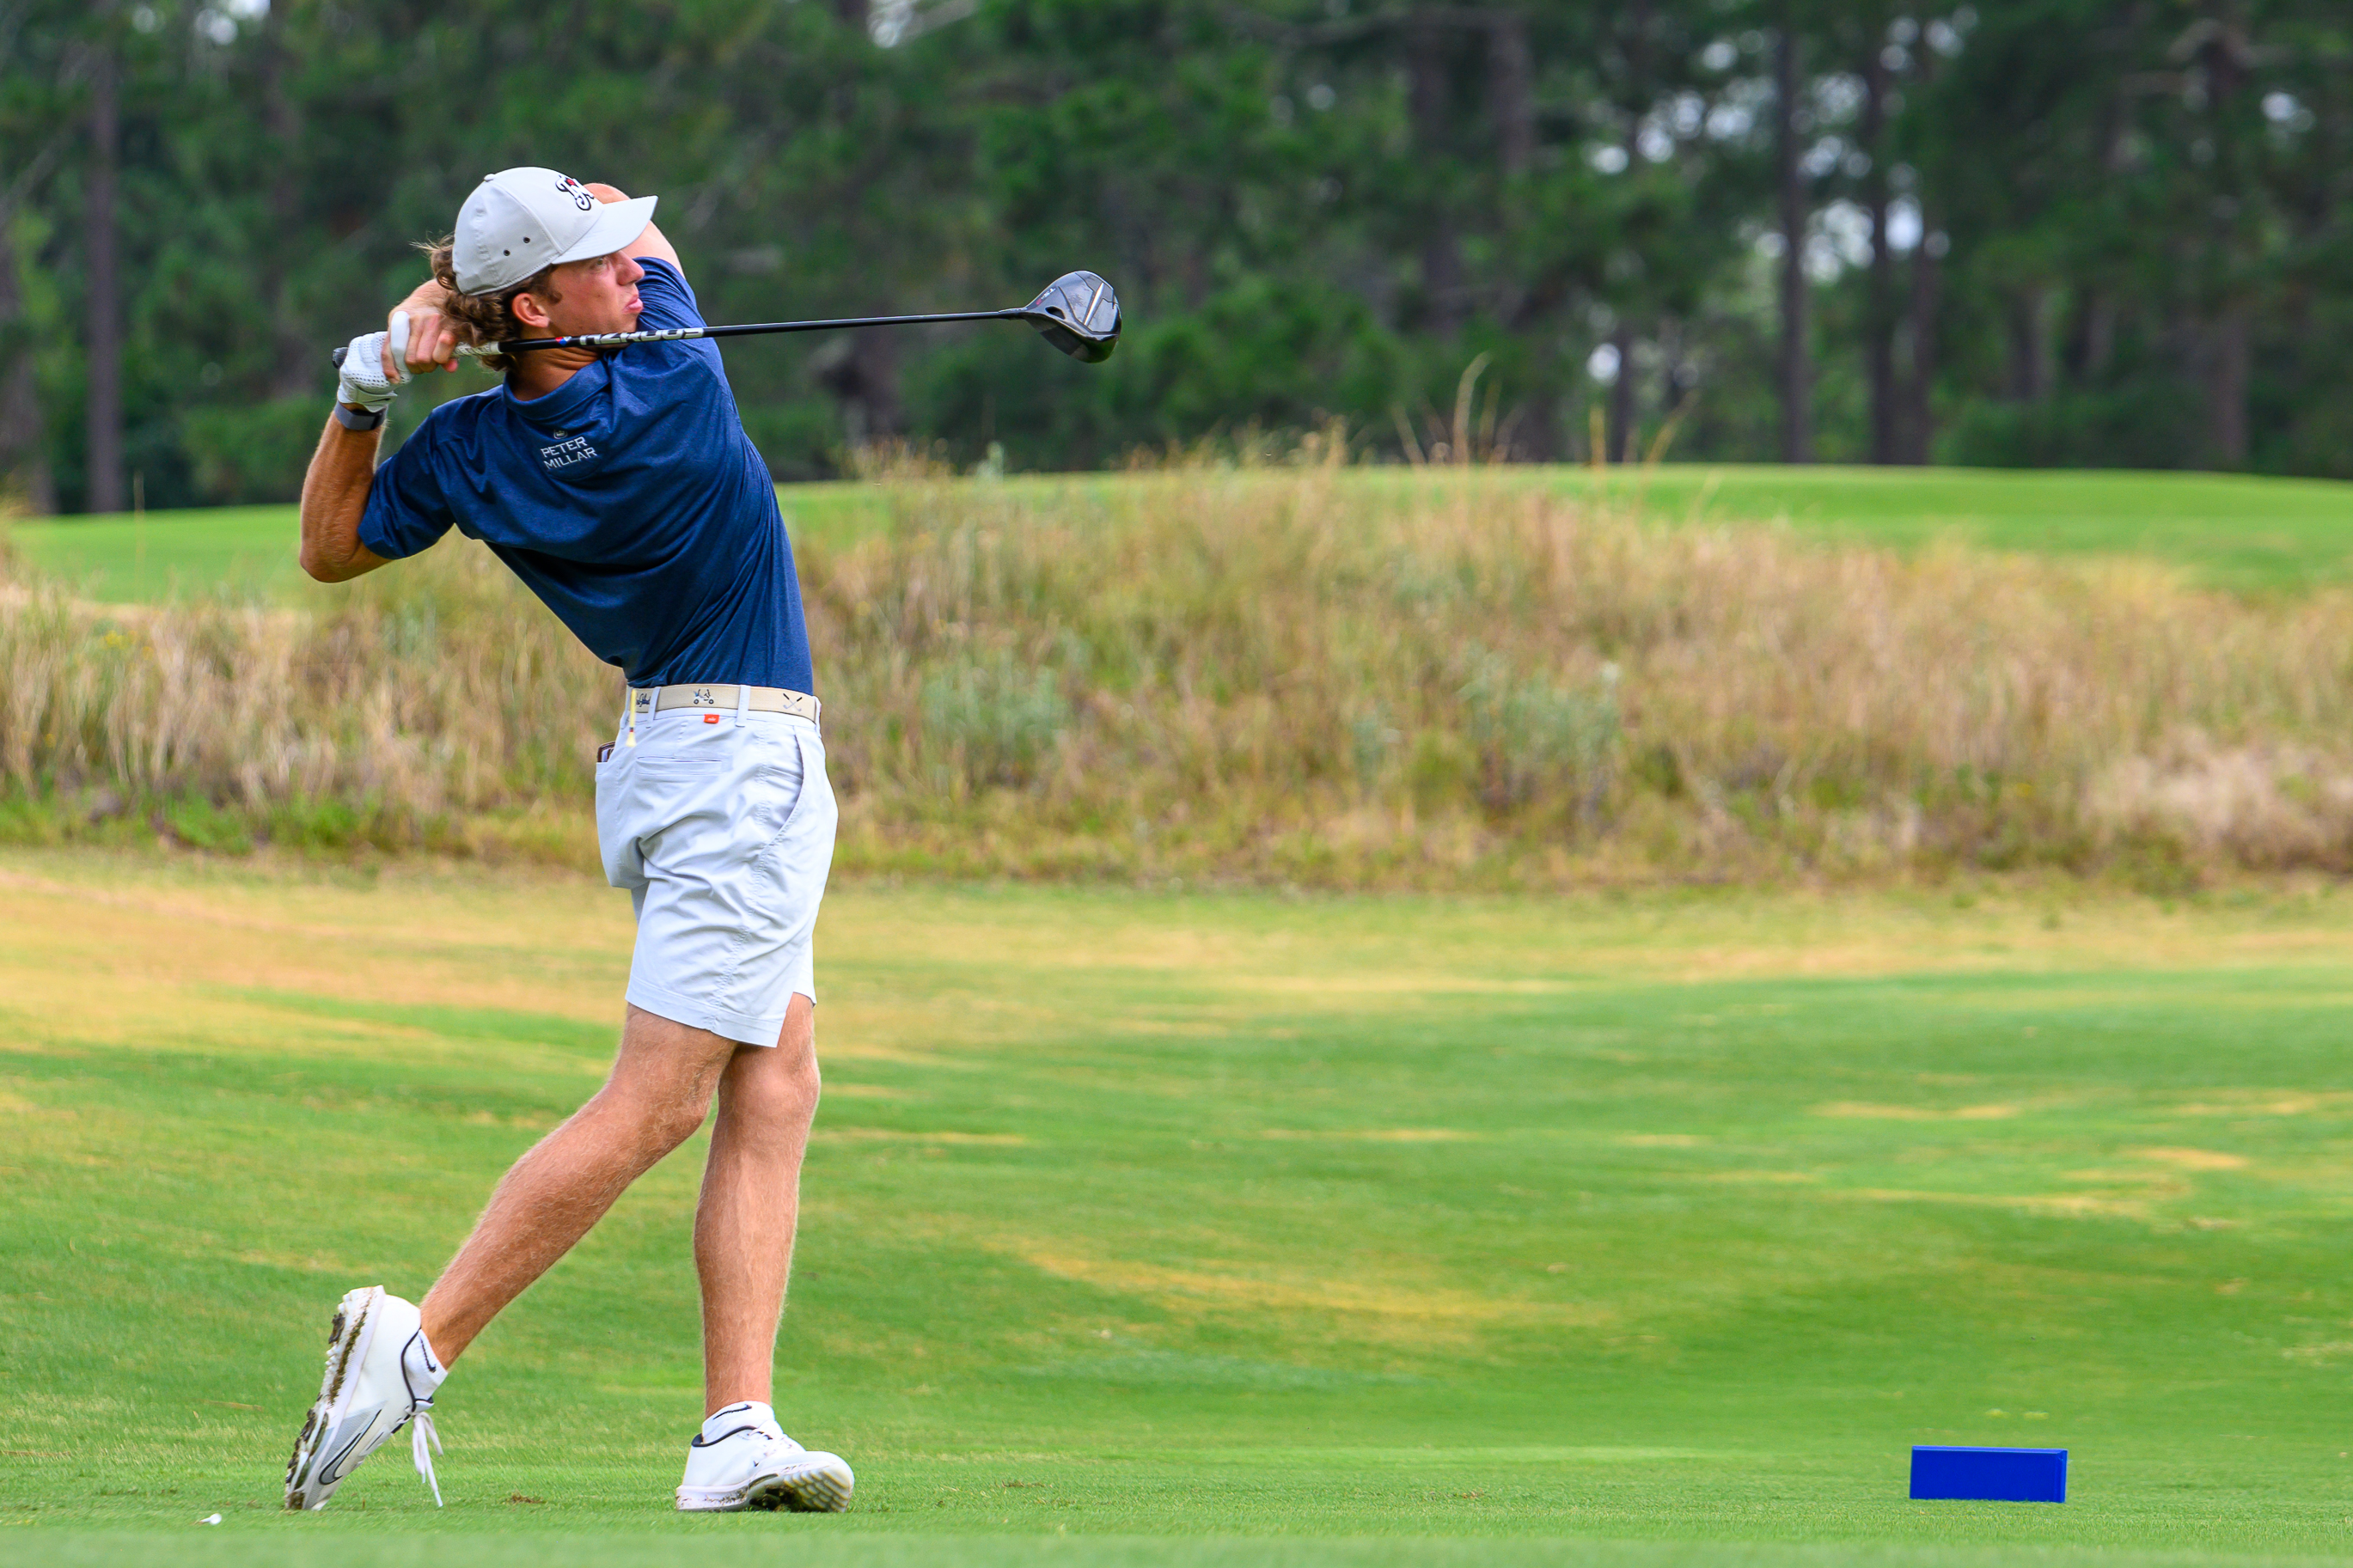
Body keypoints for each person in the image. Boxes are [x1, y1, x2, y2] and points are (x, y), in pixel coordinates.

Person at [280, 168, 850, 1516]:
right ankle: (416, 1347)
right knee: (660, 1097)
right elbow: (623, 205)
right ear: (543, 303)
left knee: (777, 1071)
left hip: (667, 759)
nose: (631, 273)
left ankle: (736, 1427)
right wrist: (455, 295)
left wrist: (377, 369)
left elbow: (330, 545)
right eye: (596, 267)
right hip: (739, 766)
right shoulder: (670, 375)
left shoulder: (474, 447)